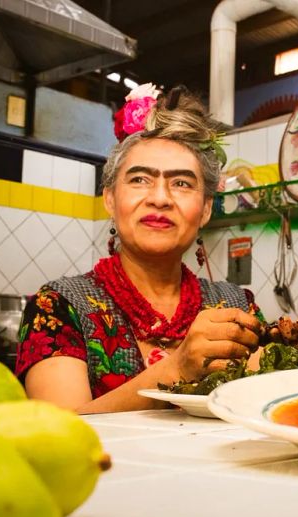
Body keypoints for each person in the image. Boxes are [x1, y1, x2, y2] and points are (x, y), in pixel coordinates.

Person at [15, 85, 263, 414]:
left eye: (182, 183)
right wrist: (177, 369)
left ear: (204, 210)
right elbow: (60, 430)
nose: (159, 198)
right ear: (109, 199)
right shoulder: (59, 306)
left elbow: (265, 404)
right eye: (140, 180)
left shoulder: (236, 307)